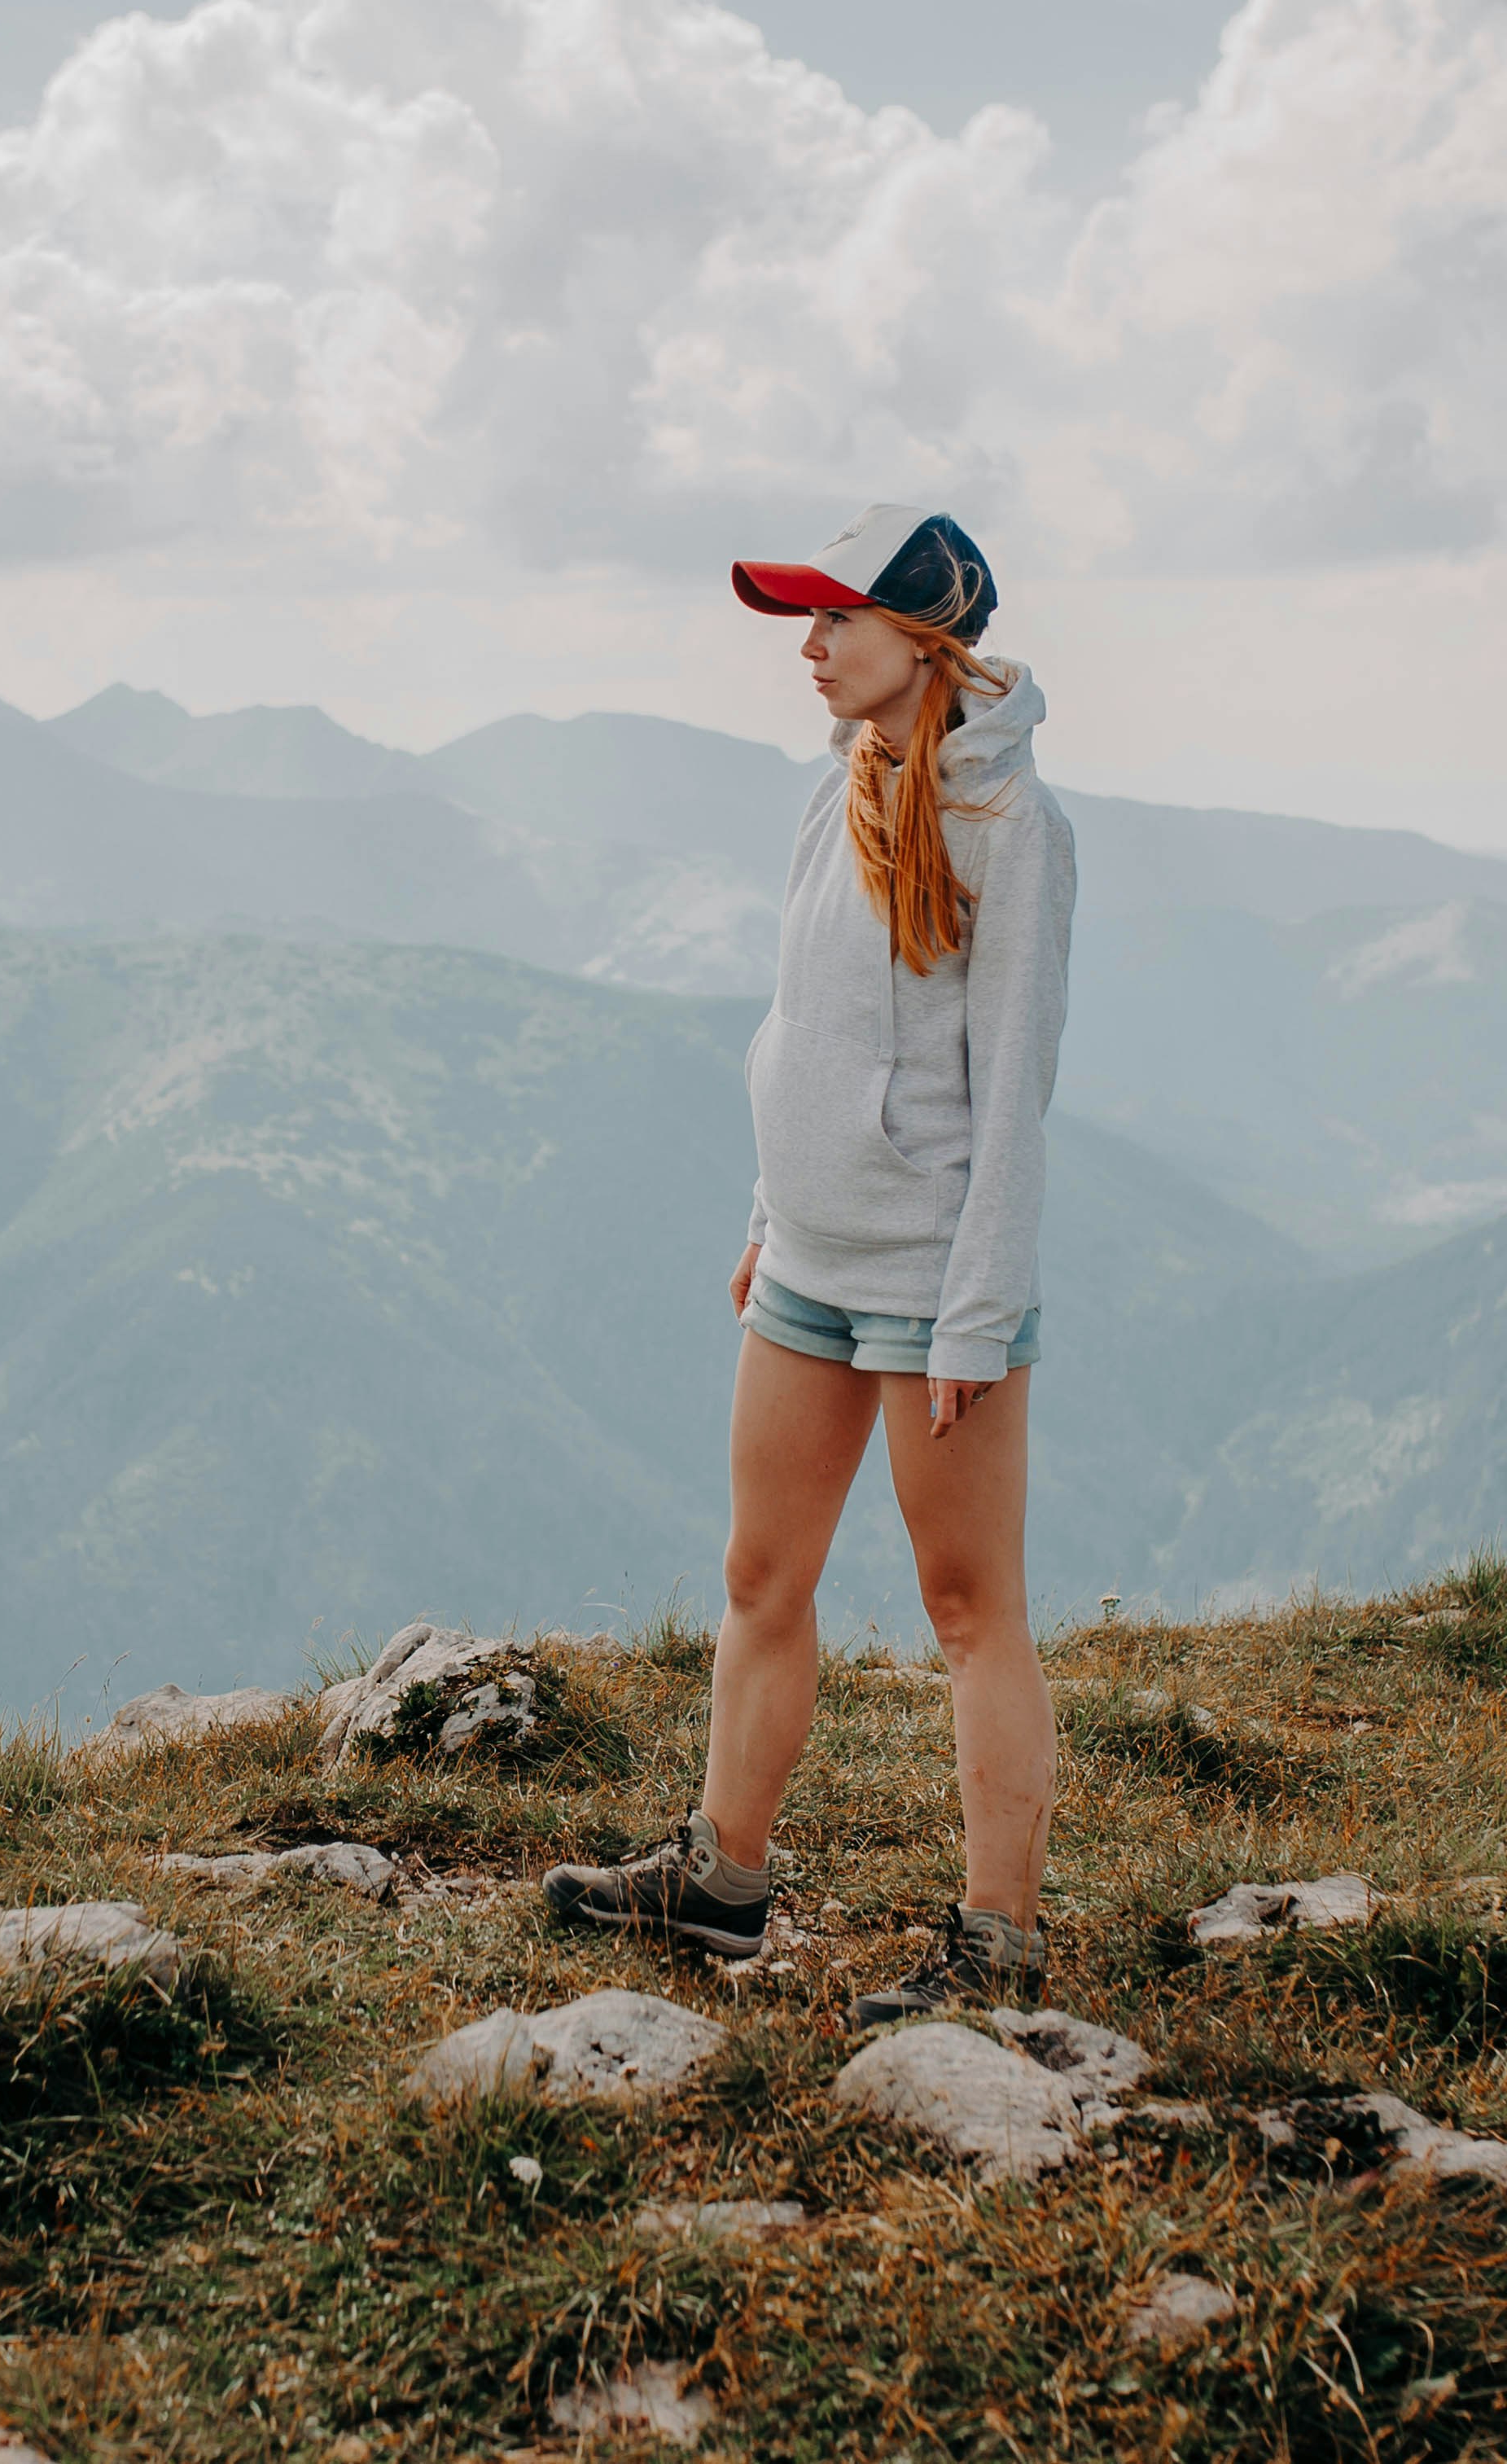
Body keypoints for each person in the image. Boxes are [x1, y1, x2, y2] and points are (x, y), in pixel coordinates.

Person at [544, 502, 1077, 2025]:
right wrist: (768, 1212)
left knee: (970, 1608)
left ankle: (997, 1942)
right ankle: (721, 1876)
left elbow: (1012, 1088)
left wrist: (976, 1315)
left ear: (925, 637)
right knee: (759, 1574)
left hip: (932, 1285)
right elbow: (798, 1027)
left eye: (837, 617)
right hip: (810, 1261)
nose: (810, 644)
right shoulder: (830, 790)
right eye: (808, 616)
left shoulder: (1011, 827)